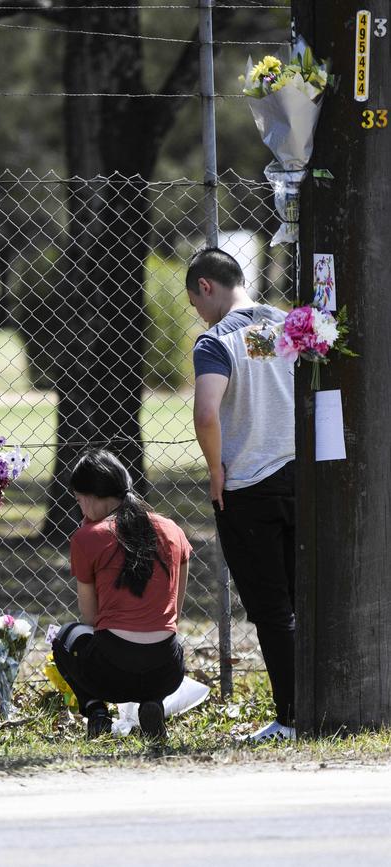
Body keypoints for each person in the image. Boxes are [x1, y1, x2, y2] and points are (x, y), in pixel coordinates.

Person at [185, 247, 295, 742]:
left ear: (206, 286)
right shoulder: (292, 326)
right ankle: (328, 699)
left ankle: (293, 716)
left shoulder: (215, 342)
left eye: (194, 302)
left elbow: (207, 412)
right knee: (306, 596)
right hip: (301, 478)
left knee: (272, 609)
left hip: (248, 486)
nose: (197, 313)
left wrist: (214, 469)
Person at [52, 449, 192, 739]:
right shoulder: (172, 530)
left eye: (79, 500)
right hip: (166, 670)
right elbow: (174, 612)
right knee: (160, 642)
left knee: (65, 637)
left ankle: (97, 712)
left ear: (90, 495)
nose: (80, 508)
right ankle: (152, 703)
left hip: (109, 672)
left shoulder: (88, 537)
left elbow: (90, 618)